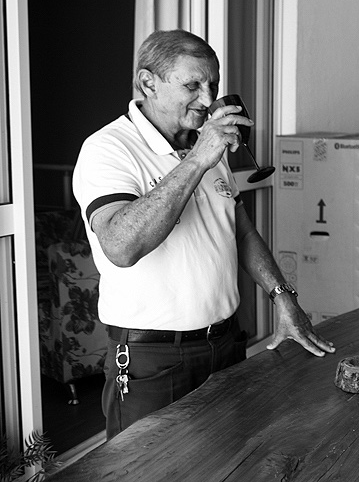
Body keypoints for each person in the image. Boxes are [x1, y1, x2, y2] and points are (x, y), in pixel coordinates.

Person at [72, 29, 335, 440]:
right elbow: (121, 247)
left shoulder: (204, 144)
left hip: (226, 345)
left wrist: (283, 297)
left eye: (213, 84)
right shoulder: (108, 148)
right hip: (152, 359)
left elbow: (240, 231)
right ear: (148, 83)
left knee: (230, 459)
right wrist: (198, 160)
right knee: (149, 468)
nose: (208, 98)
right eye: (192, 85)